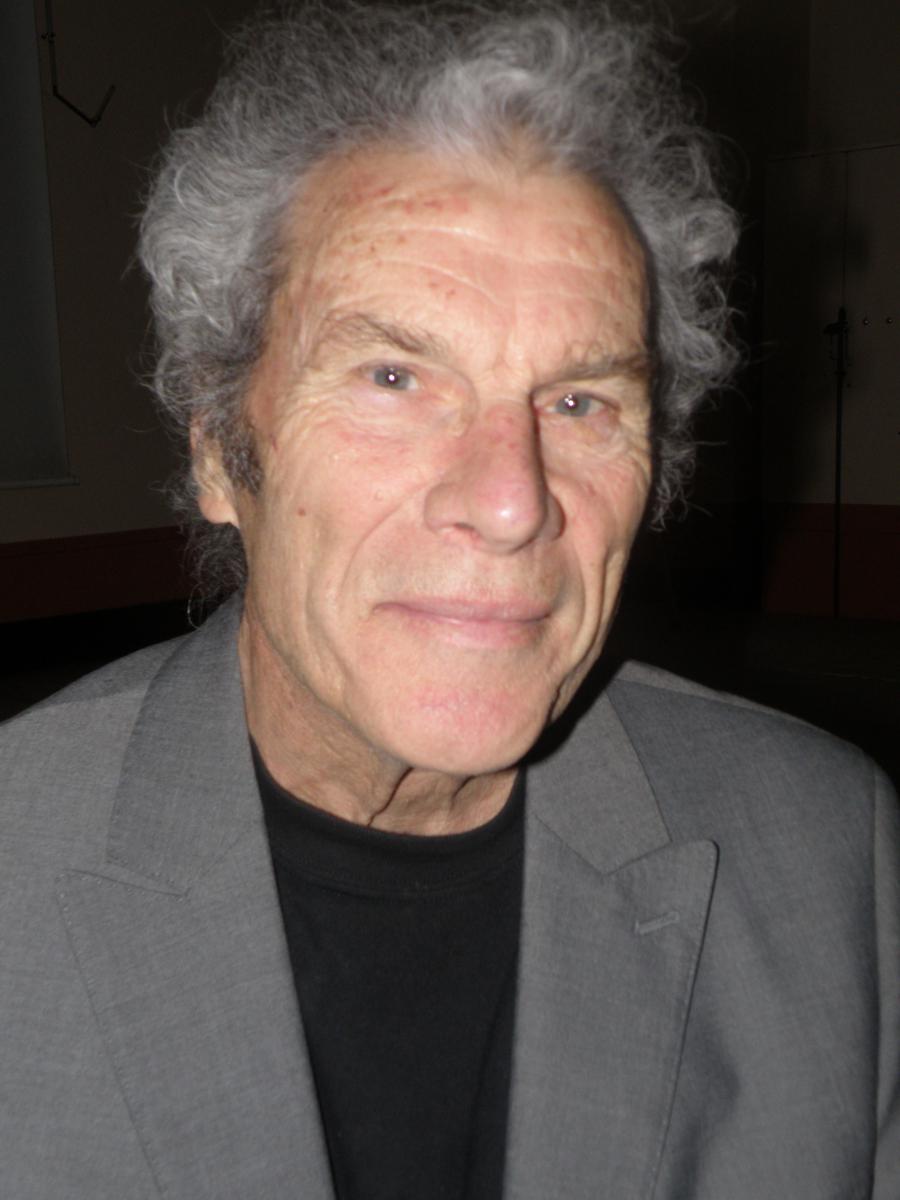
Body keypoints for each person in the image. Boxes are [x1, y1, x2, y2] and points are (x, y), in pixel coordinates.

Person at [2, 2, 897, 1197]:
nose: (512, 502)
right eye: (393, 375)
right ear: (218, 446)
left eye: (579, 402)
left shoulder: (826, 851)